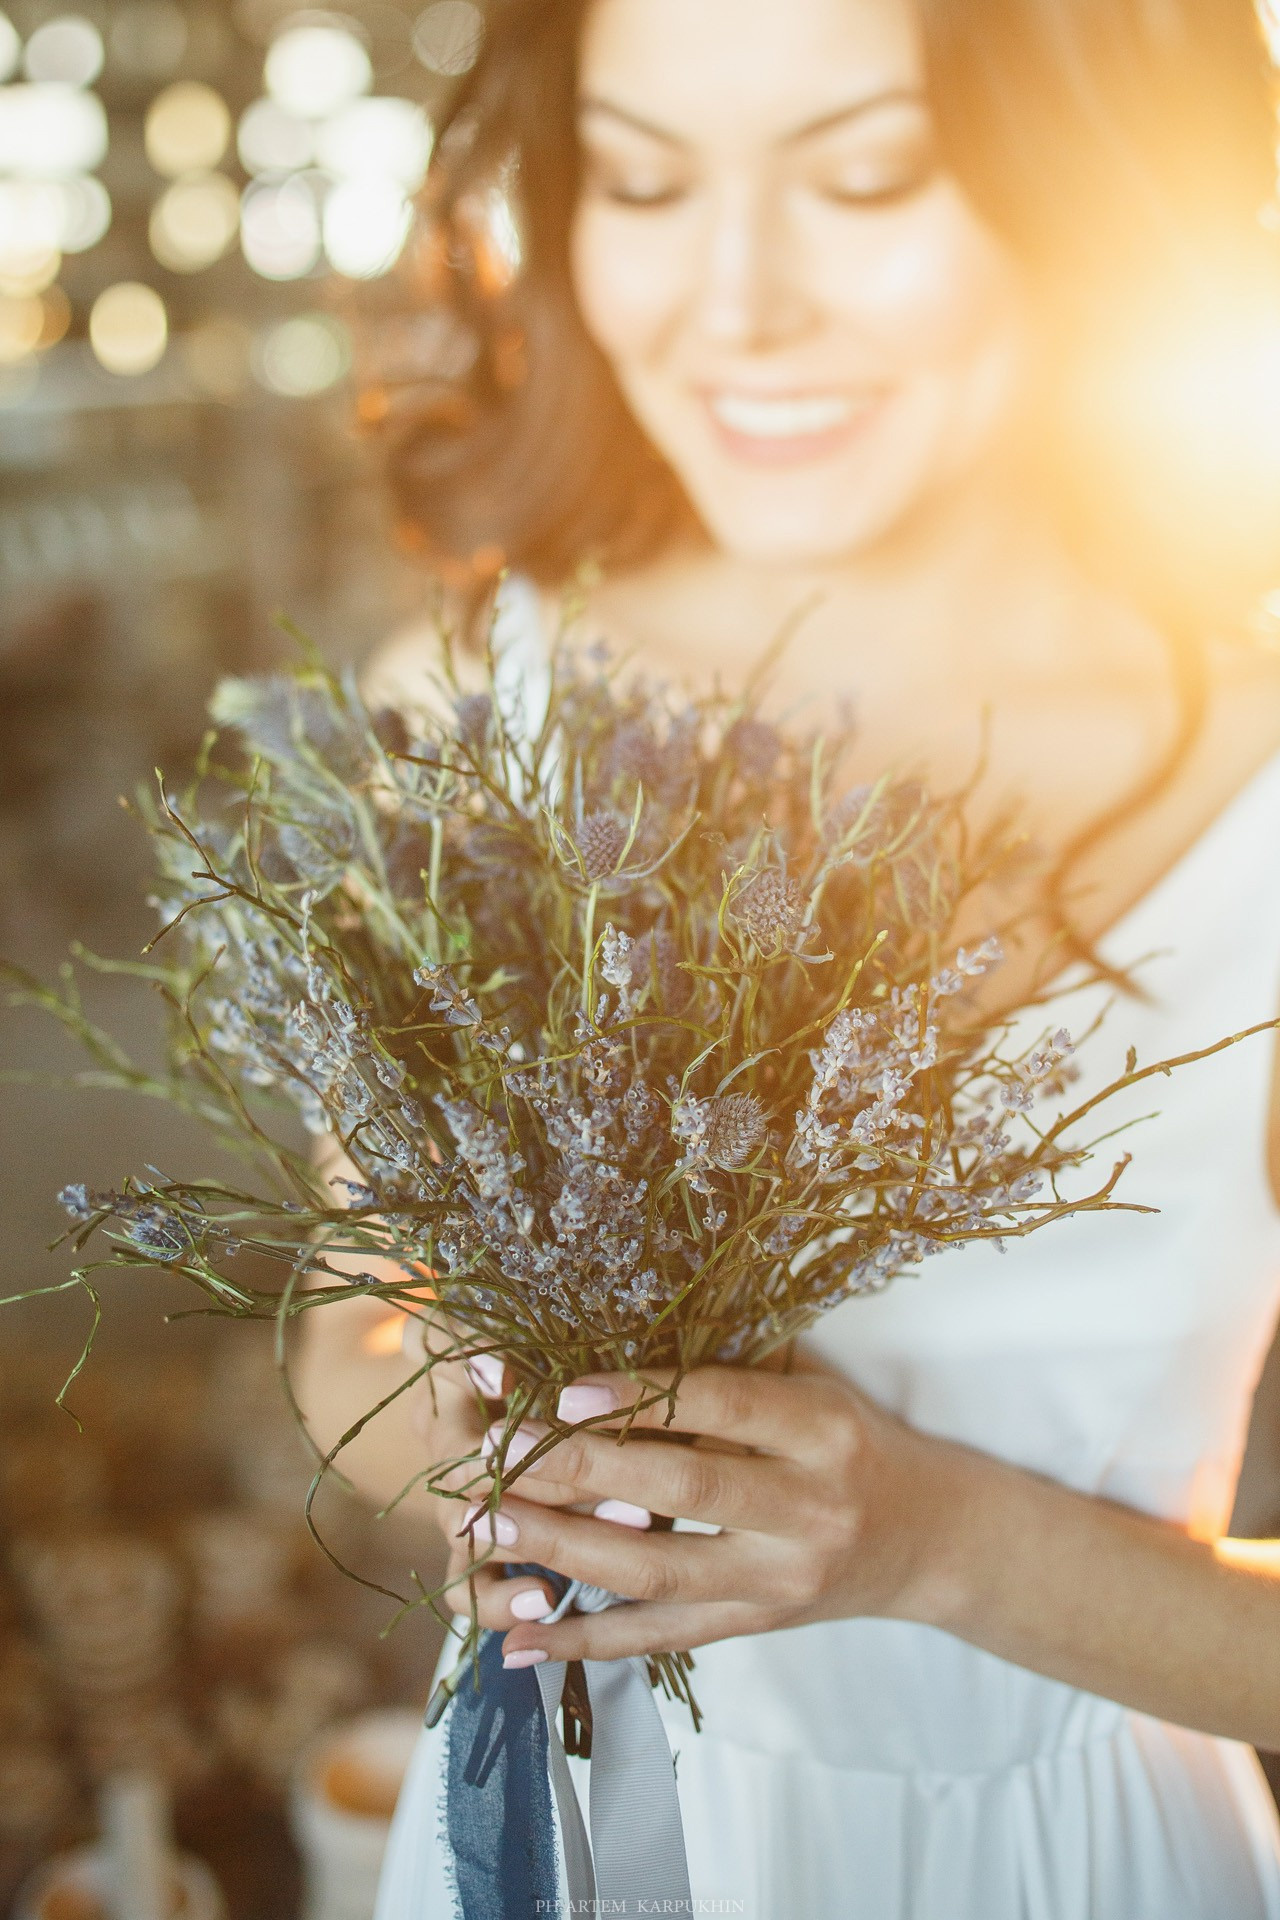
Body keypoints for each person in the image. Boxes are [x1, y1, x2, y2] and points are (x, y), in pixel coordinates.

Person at [295, 0, 1280, 1912]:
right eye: (648, 181)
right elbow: (350, 1342)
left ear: (1082, 183)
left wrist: (923, 1542)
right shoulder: (477, 705)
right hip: (550, 1846)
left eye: (863, 175)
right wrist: (483, 1459)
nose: (734, 302)